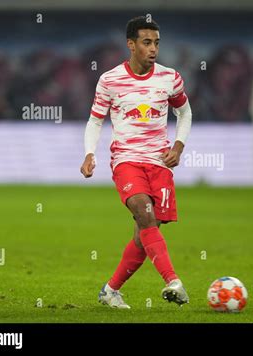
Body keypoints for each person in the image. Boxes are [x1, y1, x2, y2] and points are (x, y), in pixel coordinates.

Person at [80, 16, 192, 309]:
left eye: (156, 43)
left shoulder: (170, 78)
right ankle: (172, 280)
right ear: (131, 45)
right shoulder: (110, 80)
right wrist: (90, 152)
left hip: (160, 163)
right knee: (144, 213)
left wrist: (178, 146)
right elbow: (95, 120)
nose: (153, 48)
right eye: (146, 42)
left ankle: (110, 290)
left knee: (145, 234)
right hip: (126, 161)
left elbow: (185, 113)